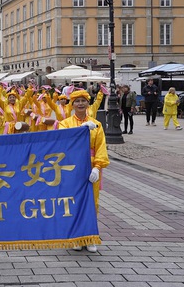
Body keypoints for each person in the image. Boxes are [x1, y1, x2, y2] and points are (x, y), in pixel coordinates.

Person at [58, 90, 110, 253]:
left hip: (92, 167)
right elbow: (63, 142)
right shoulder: (65, 123)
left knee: (91, 202)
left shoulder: (97, 124)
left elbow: (101, 147)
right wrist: (80, 130)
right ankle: (76, 237)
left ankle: (90, 237)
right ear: (72, 105)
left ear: (88, 103)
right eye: (77, 101)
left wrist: (97, 167)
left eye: (83, 101)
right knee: (74, 201)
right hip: (72, 166)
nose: (80, 104)